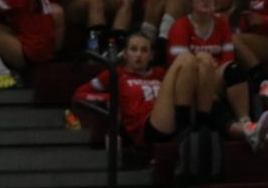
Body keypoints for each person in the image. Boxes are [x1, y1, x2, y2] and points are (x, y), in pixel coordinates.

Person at [167, 0, 268, 152]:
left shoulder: (221, 23)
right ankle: (248, 132)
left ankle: (246, 122)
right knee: (208, 84)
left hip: (215, 78)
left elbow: (227, 59)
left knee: (233, 69)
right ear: (190, 1)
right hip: (188, 86)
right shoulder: (180, 26)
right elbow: (180, 67)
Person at [71, 32, 208, 147]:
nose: (138, 55)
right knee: (185, 59)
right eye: (134, 49)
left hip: (171, 114)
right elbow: (79, 94)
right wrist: (110, 99)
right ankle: (184, 129)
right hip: (146, 127)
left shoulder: (159, 73)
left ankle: (204, 123)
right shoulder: (116, 73)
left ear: (151, 56)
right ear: (125, 54)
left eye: (144, 50)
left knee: (204, 59)